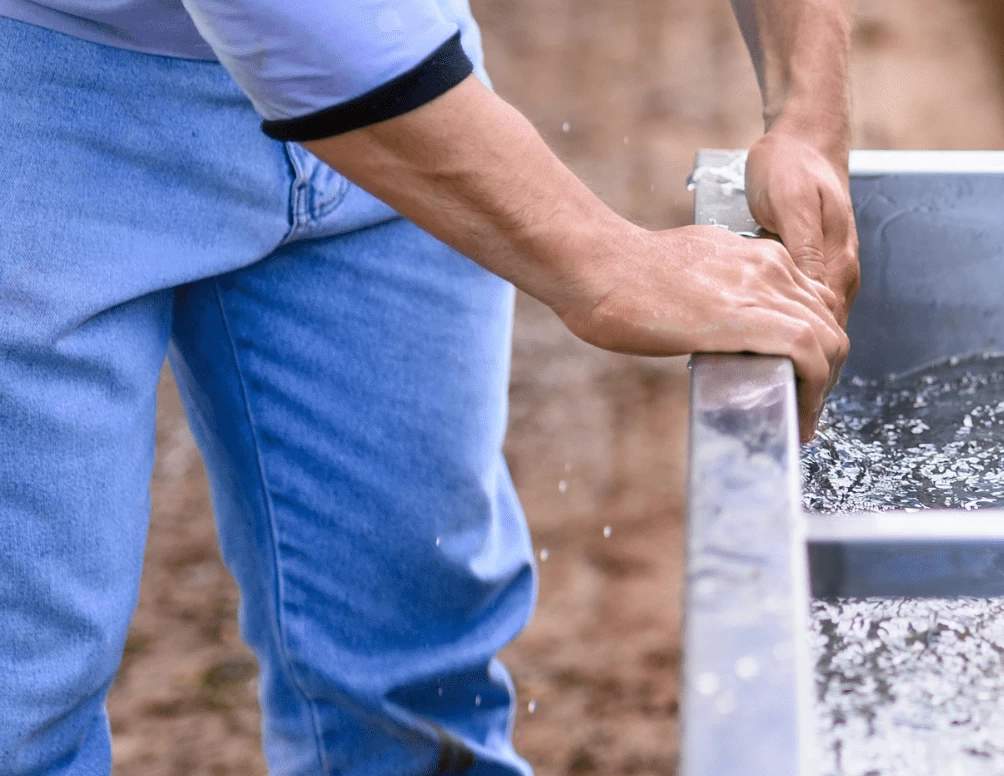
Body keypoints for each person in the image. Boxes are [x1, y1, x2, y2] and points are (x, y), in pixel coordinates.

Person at [0, 0, 857, 772]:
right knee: (22, 701)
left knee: (415, 670)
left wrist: (807, 114)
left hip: (399, 68)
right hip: (43, 92)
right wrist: (605, 262)